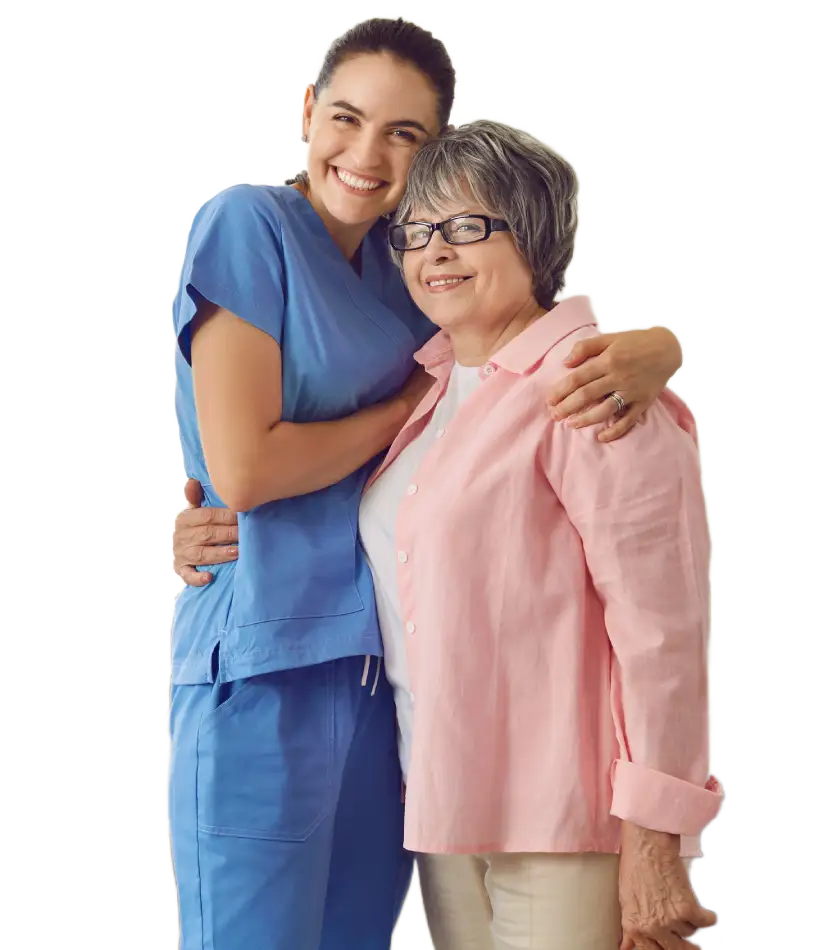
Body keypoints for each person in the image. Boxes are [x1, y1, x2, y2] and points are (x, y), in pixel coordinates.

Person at [167, 18, 685, 950]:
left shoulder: (411, 271)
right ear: (306, 111)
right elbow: (242, 469)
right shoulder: (249, 225)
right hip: (269, 668)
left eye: (403, 135)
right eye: (347, 118)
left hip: (393, 711)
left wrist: (659, 345)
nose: (366, 155)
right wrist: (407, 400)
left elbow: (510, 335)